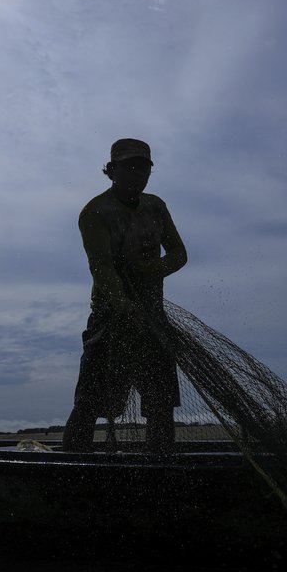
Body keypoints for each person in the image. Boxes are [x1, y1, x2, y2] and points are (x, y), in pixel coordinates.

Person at [61, 138, 188, 453]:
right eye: (129, 166)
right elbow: (101, 267)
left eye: (143, 167)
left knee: (160, 401)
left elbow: (179, 253)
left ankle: (161, 459)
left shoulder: (155, 206)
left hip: (152, 317)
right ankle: (72, 460)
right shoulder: (95, 212)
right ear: (112, 170)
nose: (137, 173)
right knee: (90, 401)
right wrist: (122, 302)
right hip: (109, 318)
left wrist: (150, 270)